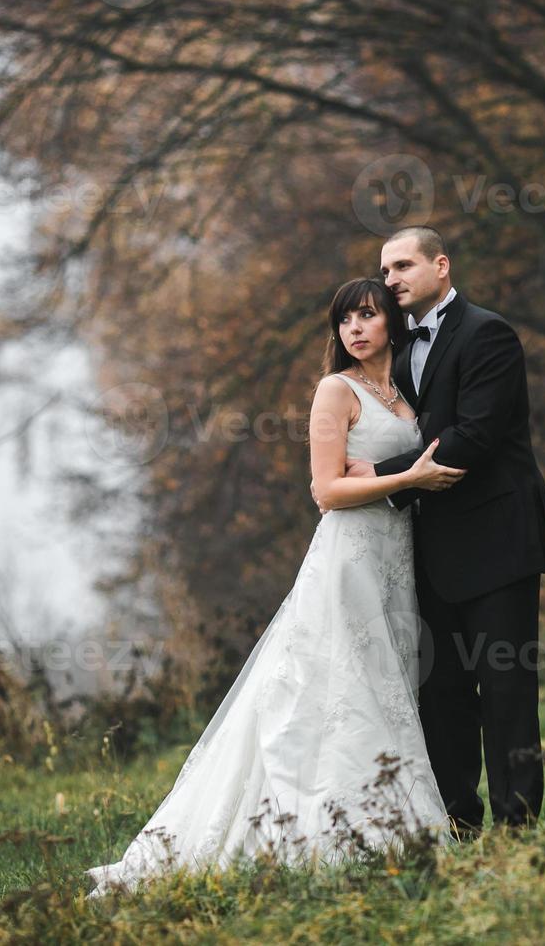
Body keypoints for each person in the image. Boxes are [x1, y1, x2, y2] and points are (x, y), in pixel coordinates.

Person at [86, 278, 464, 896]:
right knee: (342, 685)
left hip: (397, 561)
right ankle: (334, 833)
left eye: (367, 316)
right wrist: (411, 478)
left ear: (392, 324)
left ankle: (392, 822)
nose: (355, 329)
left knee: (390, 684)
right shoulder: (335, 391)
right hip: (348, 560)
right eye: (345, 321)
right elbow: (326, 491)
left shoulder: (403, 395)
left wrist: (413, 475)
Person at [322, 226, 545, 833]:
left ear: (442, 266)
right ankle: (458, 817)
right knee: (443, 693)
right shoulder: (393, 350)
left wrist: (380, 471)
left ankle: (518, 826)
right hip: (427, 550)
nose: (392, 279)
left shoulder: (488, 334)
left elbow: (475, 437)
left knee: (506, 689)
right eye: (385, 271)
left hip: (498, 543)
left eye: (403, 266)